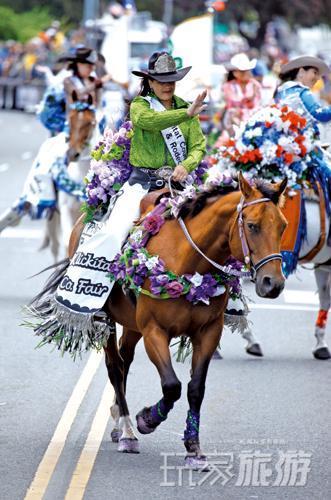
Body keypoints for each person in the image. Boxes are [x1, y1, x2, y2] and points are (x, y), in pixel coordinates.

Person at [33, 51, 207, 338]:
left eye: (172, 80)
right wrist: (185, 114)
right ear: (149, 81)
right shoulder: (141, 105)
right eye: (161, 80)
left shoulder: (187, 108)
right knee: (113, 233)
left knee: (212, 230)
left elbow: (198, 146)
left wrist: (186, 165)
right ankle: (93, 302)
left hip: (177, 186)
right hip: (140, 186)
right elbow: (149, 122)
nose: (167, 85)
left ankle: (217, 304)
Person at [218, 53, 262, 143]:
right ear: (235, 73)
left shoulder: (255, 85)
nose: (246, 73)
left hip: (252, 120)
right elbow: (233, 100)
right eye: (242, 71)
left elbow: (257, 103)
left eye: (247, 70)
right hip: (233, 121)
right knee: (226, 141)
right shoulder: (228, 86)